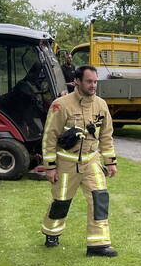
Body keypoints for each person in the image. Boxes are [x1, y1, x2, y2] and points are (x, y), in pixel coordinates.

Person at [40, 65, 119, 255]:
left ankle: (98, 245)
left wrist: (110, 162)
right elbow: (50, 137)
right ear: (77, 81)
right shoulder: (61, 105)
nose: (93, 85)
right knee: (62, 200)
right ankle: (52, 232)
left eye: (95, 81)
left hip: (91, 161)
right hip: (66, 163)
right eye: (89, 81)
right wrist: (50, 167)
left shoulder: (101, 105)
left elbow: (106, 135)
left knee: (99, 198)